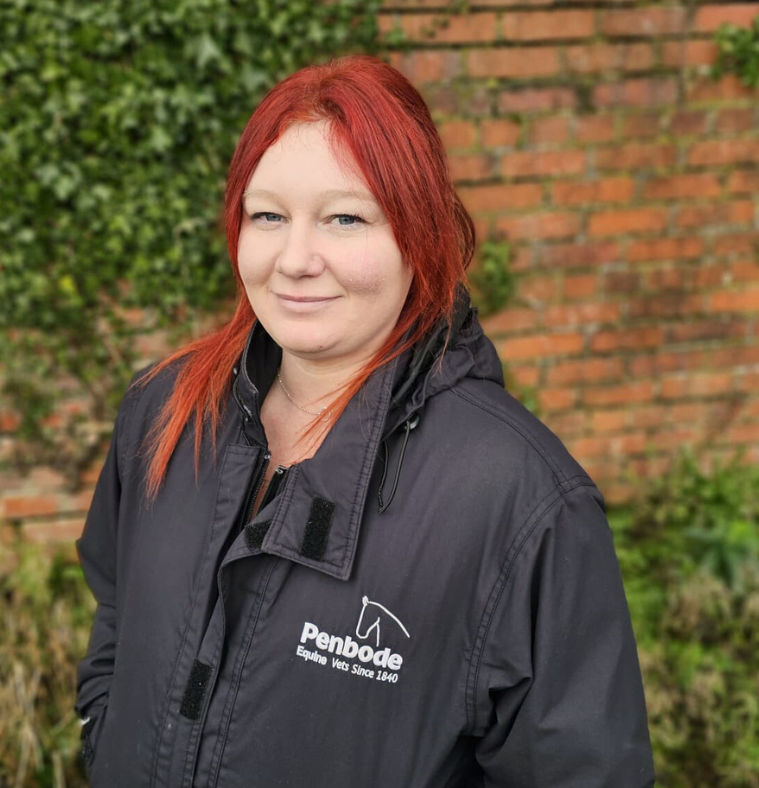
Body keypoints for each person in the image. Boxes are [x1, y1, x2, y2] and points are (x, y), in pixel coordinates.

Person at [75, 54, 655, 787]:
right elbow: (118, 615)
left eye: (345, 218)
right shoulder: (164, 412)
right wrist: (104, 734)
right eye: (268, 216)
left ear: (420, 232)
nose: (294, 259)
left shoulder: (521, 501)